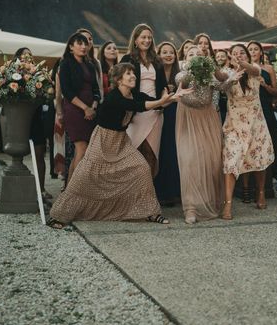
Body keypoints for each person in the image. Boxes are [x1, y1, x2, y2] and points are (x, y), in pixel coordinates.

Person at [48, 63, 189, 228]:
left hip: (121, 141)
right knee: (84, 176)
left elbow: (155, 104)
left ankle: (150, 212)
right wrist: (162, 100)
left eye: (133, 74)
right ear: (118, 79)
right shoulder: (114, 97)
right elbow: (139, 107)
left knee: (141, 168)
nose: (133, 76)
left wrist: (171, 98)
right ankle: (58, 216)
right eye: (128, 74)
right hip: (103, 140)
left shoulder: (133, 94)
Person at [175, 45, 234, 223]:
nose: (195, 56)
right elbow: (183, 82)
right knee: (190, 161)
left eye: (199, 54)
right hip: (188, 121)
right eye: (191, 54)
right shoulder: (181, 74)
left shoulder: (208, 74)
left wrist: (232, 79)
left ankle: (209, 202)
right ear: (185, 59)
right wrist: (192, 69)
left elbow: (222, 86)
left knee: (210, 160)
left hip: (208, 119)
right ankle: (190, 208)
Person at [221, 44, 275, 220]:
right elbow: (220, 81)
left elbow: (253, 69)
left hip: (256, 123)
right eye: (234, 54)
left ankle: (260, 193)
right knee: (231, 161)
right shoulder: (227, 73)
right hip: (234, 126)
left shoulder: (254, 70)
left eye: (242, 53)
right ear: (229, 57)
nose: (238, 56)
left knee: (258, 158)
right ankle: (227, 204)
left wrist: (243, 64)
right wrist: (228, 77)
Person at [121, 24, 167, 175]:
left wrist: (164, 99)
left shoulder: (157, 60)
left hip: (155, 111)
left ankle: (147, 194)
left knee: (151, 153)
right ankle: (133, 194)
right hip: (137, 111)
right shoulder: (127, 59)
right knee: (135, 152)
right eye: (143, 37)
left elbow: (163, 86)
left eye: (149, 37)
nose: (147, 40)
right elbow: (122, 84)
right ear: (135, 40)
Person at [59, 33, 101, 183]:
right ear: (71, 47)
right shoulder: (65, 64)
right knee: (82, 149)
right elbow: (67, 91)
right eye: (79, 43)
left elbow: (96, 89)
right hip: (75, 110)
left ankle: (70, 190)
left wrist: (94, 107)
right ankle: (73, 193)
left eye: (85, 44)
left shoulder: (90, 65)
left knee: (83, 151)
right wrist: (85, 108)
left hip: (92, 110)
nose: (83, 47)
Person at [246, 41, 277, 201]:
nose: (253, 51)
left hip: (265, 110)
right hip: (248, 112)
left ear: (261, 52)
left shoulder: (269, 69)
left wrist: (265, 85)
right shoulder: (243, 69)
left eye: (255, 49)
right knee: (250, 146)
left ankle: (266, 188)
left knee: (269, 144)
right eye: (250, 49)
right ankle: (248, 189)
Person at [13, 47, 49, 197]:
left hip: (36, 117)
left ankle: (41, 189)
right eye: (24, 54)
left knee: (40, 153)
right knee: (17, 154)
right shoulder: (12, 73)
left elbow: (45, 93)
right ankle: (19, 190)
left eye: (29, 54)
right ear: (18, 57)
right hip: (19, 118)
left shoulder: (38, 73)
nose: (27, 56)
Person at [154, 42, 182, 206]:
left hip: (174, 113)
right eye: (164, 52)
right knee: (159, 150)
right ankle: (159, 191)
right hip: (157, 111)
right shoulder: (155, 72)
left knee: (172, 151)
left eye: (171, 52)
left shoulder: (179, 73)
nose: (168, 55)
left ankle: (173, 191)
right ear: (159, 54)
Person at [214, 49, 230, 123]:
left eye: (222, 56)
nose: (220, 58)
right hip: (217, 101)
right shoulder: (213, 71)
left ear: (227, 57)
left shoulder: (230, 70)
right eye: (217, 57)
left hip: (228, 100)